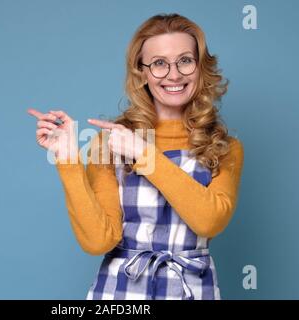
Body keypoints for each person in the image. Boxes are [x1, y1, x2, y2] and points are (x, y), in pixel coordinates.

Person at [27, 13, 244, 300]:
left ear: (200, 67)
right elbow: (98, 241)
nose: (174, 74)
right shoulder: (109, 142)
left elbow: (208, 222)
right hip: (120, 292)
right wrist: (68, 159)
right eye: (159, 64)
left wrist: (144, 154)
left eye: (185, 60)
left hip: (193, 288)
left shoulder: (224, 146)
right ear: (141, 72)